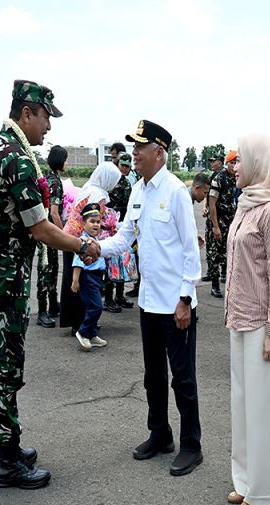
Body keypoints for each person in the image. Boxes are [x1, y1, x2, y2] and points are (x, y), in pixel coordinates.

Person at [0, 79, 99, 489]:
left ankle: (4, 447)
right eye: (47, 117)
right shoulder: (15, 156)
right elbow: (41, 228)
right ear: (28, 112)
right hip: (5, 280)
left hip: (0, 276)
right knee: (7, 371)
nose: (49, 127)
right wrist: (83, 244)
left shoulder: (1, 147)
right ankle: (7, 459)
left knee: (3, 368)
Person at [98, 119, 203, 477]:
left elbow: (191, 252)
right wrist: (91, 247)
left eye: (140, 147)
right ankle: (160, 434)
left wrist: (186, 299)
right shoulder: (138, 192)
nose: (134, 153)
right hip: (148, 303)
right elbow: (125, 237)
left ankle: (192, 445)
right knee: (152, 377)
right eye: (133, 147)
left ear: (159, 152)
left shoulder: (175, 191)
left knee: (183, 380)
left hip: (176, 306)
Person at [225, 133, 270, 505]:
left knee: (261, 408)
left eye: (242, 160)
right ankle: (244, 482)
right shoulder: (245, 206)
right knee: (242, 406)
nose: (236, 166)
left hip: (261, 325)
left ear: (260, 164)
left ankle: (263, 493)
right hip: (238, 319)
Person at [60, 162, 121, 328]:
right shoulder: (99, 195)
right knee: (84, 282)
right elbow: (94, 223)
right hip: (82, 242)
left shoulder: (87, 187)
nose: (115, 185)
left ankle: (73, 321)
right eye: (114, 181)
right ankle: (83, 324)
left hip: (68, 239)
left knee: (70, 280)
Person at [35, 145, 67, 328]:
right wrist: (63, 234)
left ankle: (53, 305)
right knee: (47, 269)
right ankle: (41, 311)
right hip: (49, 231)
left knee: (52, 267)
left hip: (44, 229)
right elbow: (54, 213)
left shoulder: (47, 177)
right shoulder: (55, 182)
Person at [71, 203, 108, 351]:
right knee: (96, 306)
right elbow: (77, 263)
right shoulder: (83, 242)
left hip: (97, 277)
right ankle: (83, 332)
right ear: (83, 224)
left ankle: (92, 335)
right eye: (92, 221)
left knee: (94, 306)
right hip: (88, 277)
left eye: (98, 222)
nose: (96, 225)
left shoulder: (97, 240)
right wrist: (75, 280)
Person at [102, 152, 136, 313]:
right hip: (109, 227)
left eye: (128, 167)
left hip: (123, 226)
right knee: (111, 264)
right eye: (123, 165)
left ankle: (119, 296)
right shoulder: (111, 181)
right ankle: (108, 298)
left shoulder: (129, 185)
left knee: (123, 261)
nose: (125, 169)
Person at [206, 150, 237, 298]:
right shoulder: (219, 178)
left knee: (228, 253)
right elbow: (212, 203)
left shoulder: (236, 178)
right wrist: (215, 226)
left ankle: (228, 281)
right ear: (227, 163)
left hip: (230, 222)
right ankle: (214, 285)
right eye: (232, 163)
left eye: (237, 163)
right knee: (214, 254)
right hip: (217, 222)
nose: (235, 166)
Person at [202, 152, 224, 283]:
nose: (211, 163)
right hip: (212, 218)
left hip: (221, 219)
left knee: (219, 249)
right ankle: (211, 272)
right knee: (210, 246)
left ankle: (222, 274)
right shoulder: (213, 176)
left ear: (220, 163)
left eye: (213, 161)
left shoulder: (223, 177)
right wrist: (205, 207)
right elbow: (208, 196)